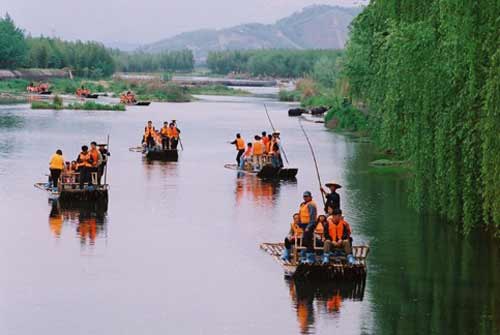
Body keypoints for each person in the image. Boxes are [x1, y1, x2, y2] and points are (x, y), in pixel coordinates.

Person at [298, 191, 318, 264]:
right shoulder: (303, 204)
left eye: (306, 196)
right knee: (305, 240)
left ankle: (311, 258)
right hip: (304, 225)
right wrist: (299, 223)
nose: (305, 198)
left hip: (309, 225)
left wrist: (308, 227)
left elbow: (312, 217)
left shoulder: (311, 205)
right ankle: (305, 256)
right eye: (304, 196)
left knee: (309, 241)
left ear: (310, 197)